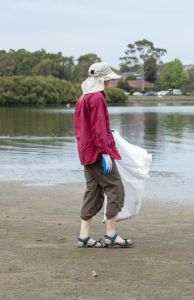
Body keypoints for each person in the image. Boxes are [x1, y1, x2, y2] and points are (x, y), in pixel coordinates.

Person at [74, 62, 133, 248]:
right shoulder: (98, 98)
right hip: (98, 152)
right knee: (115, 188)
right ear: (102, 79)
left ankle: (84, 236)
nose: (111, 82)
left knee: (93, 191)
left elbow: (83, 128)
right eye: (109, 79)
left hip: (86, 152)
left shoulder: (83, 98)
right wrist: (105, 152)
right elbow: (98, 130)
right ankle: (111, 234)